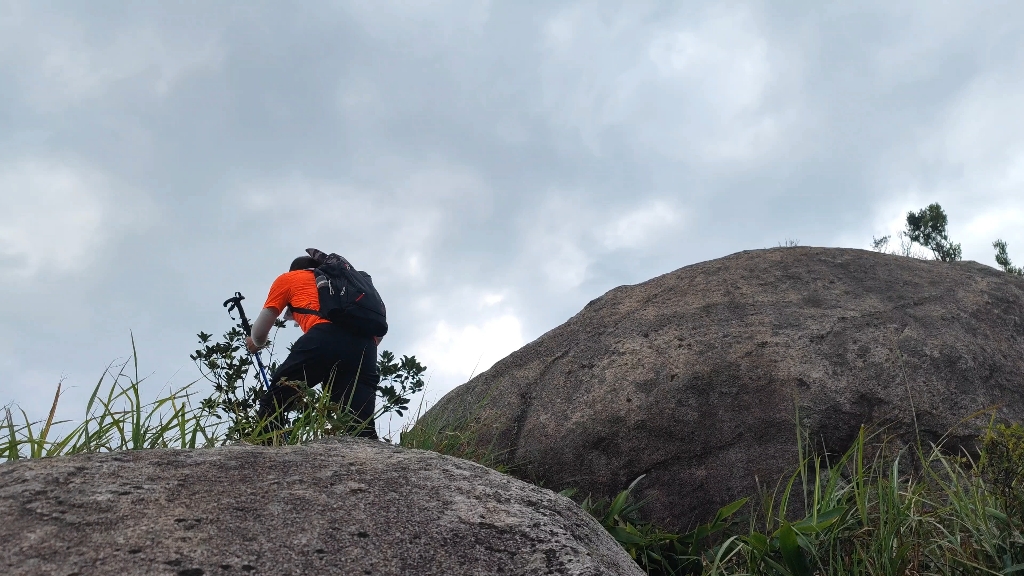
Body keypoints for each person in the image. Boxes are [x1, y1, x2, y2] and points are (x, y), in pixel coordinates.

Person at [245, 255, 381, 438]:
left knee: (275, 400)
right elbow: (378, 331)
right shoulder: (345, 282)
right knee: (360, 423)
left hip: (324, 336)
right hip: (366, 345)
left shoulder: (289, 278)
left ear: (294, 270)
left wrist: (256, 342)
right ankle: (372, 462)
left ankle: (266, 458)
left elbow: (260, 332)